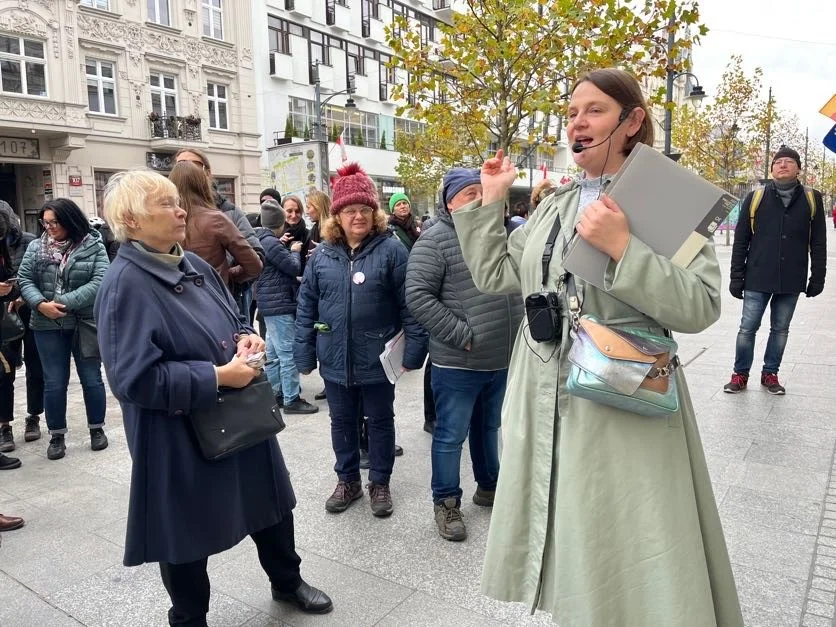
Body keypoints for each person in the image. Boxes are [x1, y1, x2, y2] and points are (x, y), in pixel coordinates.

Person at [449, 68, 742, 625]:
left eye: (595, 110)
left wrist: (624, 250)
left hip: (620, 404)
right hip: (542, 397)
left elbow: (701, 305)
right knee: (566, 533)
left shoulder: (666, 196)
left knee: (625, 544)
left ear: (632, 121)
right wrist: (486, 204)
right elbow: (497, 274)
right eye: (571, 113)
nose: (577, 123)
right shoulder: (554, 205)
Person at [95, 169, 332, 625]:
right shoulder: (124, 284)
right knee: (184, 536)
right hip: (178, 432)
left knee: (271, 505)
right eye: (165, 204)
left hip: (240, 415)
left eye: (175, 200)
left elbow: (233, 319)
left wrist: (247, 339)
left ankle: (287, 581)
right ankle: (188, 617)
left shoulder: (194, 264)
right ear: (131, 219)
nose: (180, 208)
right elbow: (132, 381)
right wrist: (217, 376)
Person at [295, 163, 427, 518]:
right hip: (335, 358)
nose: (358, 217)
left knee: (381, 420)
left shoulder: (392, 250)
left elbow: (410, 305)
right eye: (350, 210)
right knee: (341, 422)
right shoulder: (322, 255)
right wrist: (303, 352)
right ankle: (348, 479)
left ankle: (380, 482)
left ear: (375, 213)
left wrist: (415, 350)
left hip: (378, 357)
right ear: (337, 215)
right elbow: (306, 304)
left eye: (365, 210)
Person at [406, 167, 523, 542]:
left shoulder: (500, 233)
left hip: (501, 358)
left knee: (489, 427)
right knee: (450, 435)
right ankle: (446, 502)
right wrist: (462, 335)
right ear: (449, 201)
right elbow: (418, 297)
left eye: (483, 192)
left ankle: (489, 485)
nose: (478, 198)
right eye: (469, 192)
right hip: (458, 360)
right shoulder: (435, 240)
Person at [724, 145, 826, 395]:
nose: (783, 165)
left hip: (792, 277)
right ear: (771, 170)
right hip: (757, 276)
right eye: (778, 162)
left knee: (780, 329)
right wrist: (736, 277)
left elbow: (819, 241)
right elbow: (741, 240)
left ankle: (770, 373)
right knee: (747, 328)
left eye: (789, 161)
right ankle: (740, 374)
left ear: (798, 169)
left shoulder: (812, 199)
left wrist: (818, 277)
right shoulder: (756, 197)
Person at [17, 199, 110, 461]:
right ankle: (57, 435)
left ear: (69, 220)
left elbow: (100, 281)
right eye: (44, 223)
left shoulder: (93, 246)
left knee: (91, 378)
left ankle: (97, 429)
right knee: (54, 382)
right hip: (47, 324)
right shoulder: (36, 247)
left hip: (84, 322)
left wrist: (62, 303)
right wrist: (39, 304)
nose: (48, 228)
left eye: (53, 222)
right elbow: (25, 279)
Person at [174, 148, 264, 317]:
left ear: (207, 172)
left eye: (193, 164)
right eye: (180, 164)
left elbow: (256, 257)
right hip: (198, 305)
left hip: (219, 301)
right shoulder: (167, 219)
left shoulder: (228, 212)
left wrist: (229, 276)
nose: (187, 168)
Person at [256, 198, 317, 414]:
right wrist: (294, 249)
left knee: (273, 353)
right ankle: (292, 398)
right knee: (288, 353)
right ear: (279, 222)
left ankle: (276, 393)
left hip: (269, 305)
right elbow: (292, 267)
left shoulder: (261, 240)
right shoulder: (272, 243)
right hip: (280, 304)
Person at [0, 201, 42, 453]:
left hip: (29, 309)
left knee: (35, 366)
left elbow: (39, 274)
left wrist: (21, 297)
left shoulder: (28, 241)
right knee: (4, 372)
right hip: (2, 315)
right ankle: (4, 425)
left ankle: (34, 416)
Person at [304, 189, 331, 402]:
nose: (307, 211)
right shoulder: (314, 229)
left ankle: (329, 381)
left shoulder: (326, 229)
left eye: (310, 206)